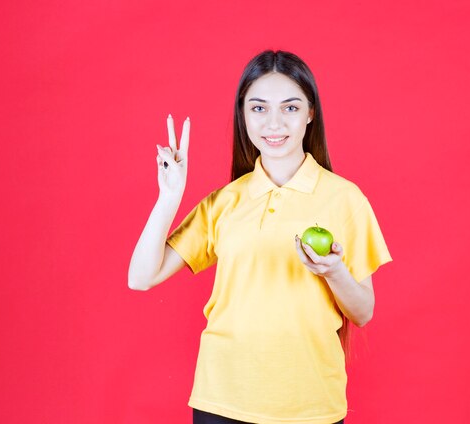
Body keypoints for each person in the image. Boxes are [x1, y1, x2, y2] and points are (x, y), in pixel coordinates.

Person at [128, 50, 393, 424]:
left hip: (312, 404)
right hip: (222, 399)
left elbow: (363, 312)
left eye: (289, 108)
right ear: (243, 115)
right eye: (258, 108)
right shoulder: (226, 201)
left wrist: (333, 272)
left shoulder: (345, 198)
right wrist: (169, 197)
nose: (273, 123)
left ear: (310, 113)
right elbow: (140, 278)